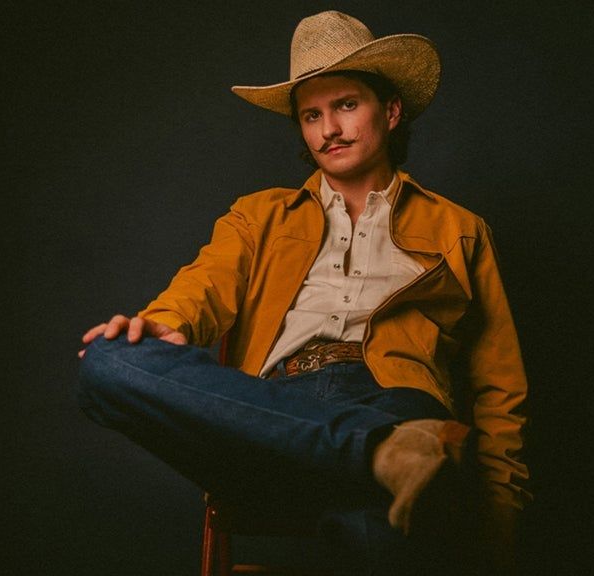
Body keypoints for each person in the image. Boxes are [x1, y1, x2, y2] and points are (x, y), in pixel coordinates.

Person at [77, 10, 529, 575]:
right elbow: (204, 282)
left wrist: (500, 526)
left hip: (392, 401)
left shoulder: (458, 229)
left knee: (386, 524)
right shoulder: (259, 214)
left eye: (346, 105)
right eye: (311, 115)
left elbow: (500, 387)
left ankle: (386, 457)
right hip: (270, 413)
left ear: (391, 111)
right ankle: (379, 453)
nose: (328, 130)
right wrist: (167, 322)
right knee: (107, 360)